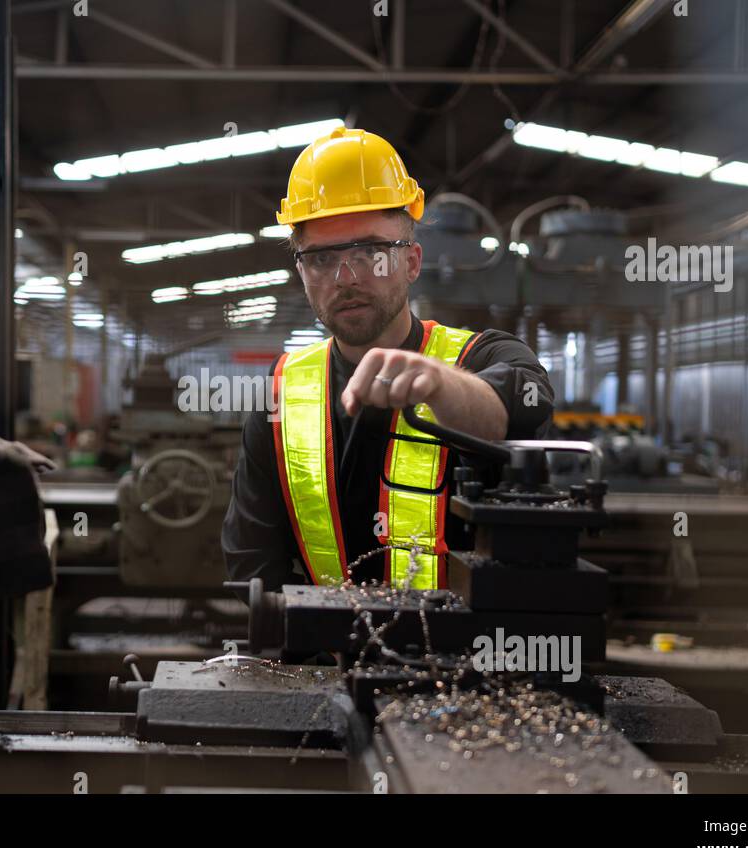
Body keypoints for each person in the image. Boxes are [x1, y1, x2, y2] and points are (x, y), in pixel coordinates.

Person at [222, 126, 554, 591]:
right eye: (321, 259)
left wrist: (441, 384)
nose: (346, 277)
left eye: (370, 252)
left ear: (412, 262)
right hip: (325, 639)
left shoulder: (482, 357)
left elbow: (524, 407)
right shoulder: (279, 400)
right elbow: (252, 570)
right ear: (301, 271)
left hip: (468, 639)